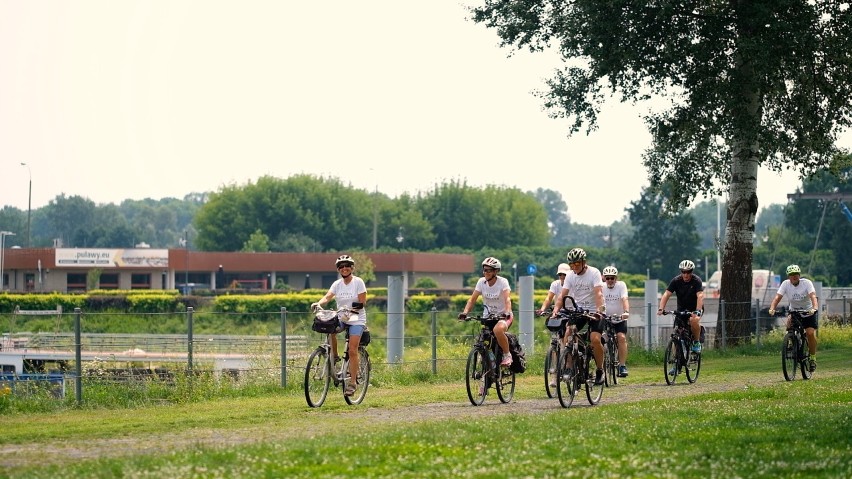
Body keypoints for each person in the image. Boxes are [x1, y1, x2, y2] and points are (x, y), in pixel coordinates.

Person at [310, 255, 367, 396]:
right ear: (338, 269)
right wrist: (319, 303)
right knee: (330, 329)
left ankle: (352, 383)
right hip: (342, 316)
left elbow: (362, 302)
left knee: (353, 350)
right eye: (341, 266)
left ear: (352, 267)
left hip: (356, 318)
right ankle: (334, 356)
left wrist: (351, 311)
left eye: (347, 265)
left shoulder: (358, 282)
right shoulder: (337, 284)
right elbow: (328, 296)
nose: (344, 268)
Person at [550, 248, 607, 385]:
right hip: (579, 310)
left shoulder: (594, 273)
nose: (574, 267)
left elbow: (598, 293)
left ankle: (600, 370)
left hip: (595, 311)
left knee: (594, 339)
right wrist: (555, 311)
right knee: (568, 332)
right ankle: (569, 367)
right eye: (572, 264)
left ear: (583, 262)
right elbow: (562, 295)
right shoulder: (570, 275)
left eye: (577, 264)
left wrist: (599, 310)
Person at [458, 257, 515, 368]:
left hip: (504, 316)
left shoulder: (503, 282)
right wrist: (465, 313)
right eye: (484, 270)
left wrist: (507, 312)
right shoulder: (481, 282)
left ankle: (507, 355)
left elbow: (507, 299)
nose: (486, 273)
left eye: (489, 270)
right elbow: (472, 299)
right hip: (488, 317)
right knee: (483, 340)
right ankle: (487, 370)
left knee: (497, 330)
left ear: (496, 271)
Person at [768, 264, 820, 372]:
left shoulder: (806, 283)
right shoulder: (785, 284)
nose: (794, 276)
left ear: (799, 275)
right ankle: (791, 342)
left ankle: (812, 358)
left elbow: (813, 296)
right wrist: (772, 308)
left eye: (796, 274)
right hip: (794, 311)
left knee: (810, 333)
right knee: (789, 326)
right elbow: (778, 297)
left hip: (808, 311)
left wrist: (815, 308)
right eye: (791, 275)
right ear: (788, 276)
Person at [657, 259, 705, 353]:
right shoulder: (676, 281)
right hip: (681, 310)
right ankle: (676, 362)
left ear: (692, 271)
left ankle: (696, 342)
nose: (686, 274)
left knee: (693, 320)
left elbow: (700, 295)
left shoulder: (696, 281)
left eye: (688, 272)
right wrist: (661, 308)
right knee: (677, 334)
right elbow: (666, 294)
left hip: (695, 309)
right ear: (681, 272)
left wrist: (698, 311)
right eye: (683, 272)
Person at [601, 266, 631, 377]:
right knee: (601, 339)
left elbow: (624, 299)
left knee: (621, 338)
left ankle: (622, 365)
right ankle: (601, 365)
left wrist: (626, 312)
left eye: (612, 278)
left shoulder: (621, 285)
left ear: (616, 278)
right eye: (607, 278)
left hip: (619, 318)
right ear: (604, 278)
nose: (609, 280)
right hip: (605, 318)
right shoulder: (601, 286)